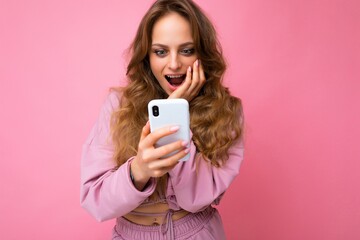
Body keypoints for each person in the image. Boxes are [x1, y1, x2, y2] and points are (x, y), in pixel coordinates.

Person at [80, 0, 244, 239]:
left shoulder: (227, 111)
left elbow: (194, 199)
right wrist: (139, 170)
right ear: (147, 56)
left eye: (187, 50)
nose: (174, 63)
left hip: (197, 232)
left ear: (203, 53)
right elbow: (96, 202)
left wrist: (173, 110)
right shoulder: (118, 105)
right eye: (161, 51)